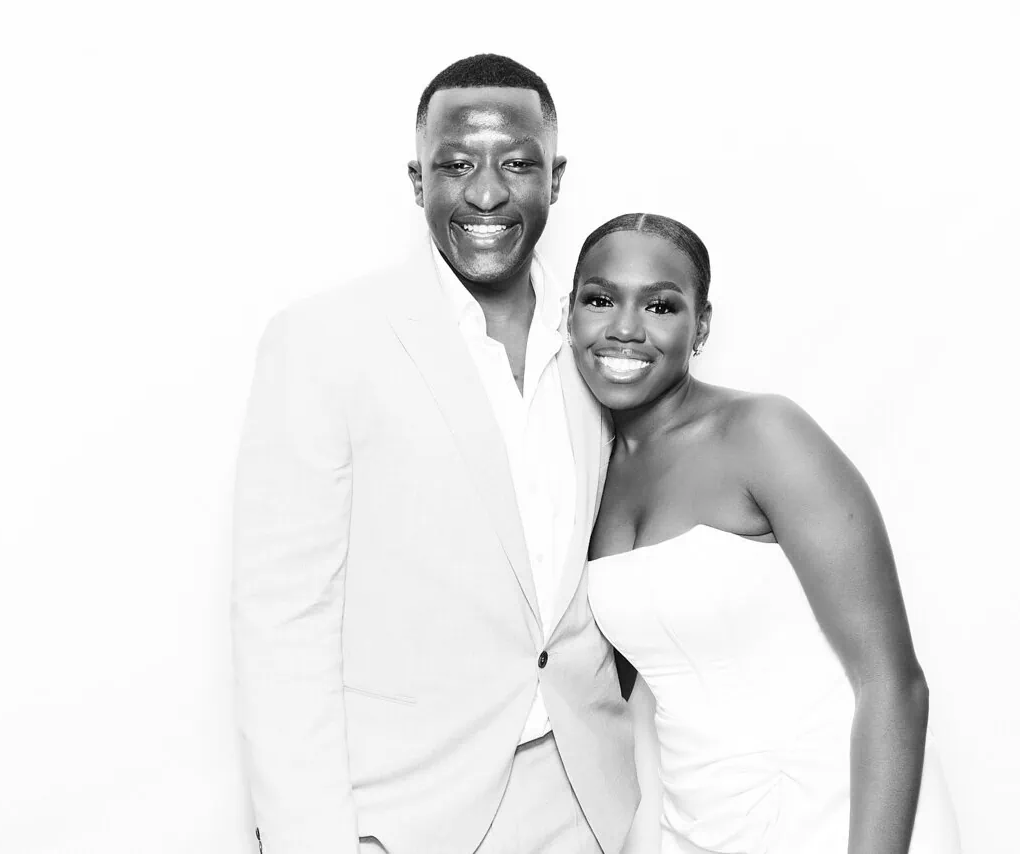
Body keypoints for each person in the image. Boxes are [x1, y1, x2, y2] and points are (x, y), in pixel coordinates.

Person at [232, 56, 639, 853]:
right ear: (418, 181)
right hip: (404, 816)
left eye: (517, 163)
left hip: (584, 800)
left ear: (555, 178)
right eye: (455, 165)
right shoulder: (323, 343)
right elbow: (282, 621)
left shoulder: (605, 340)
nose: (486, 193)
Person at [571, 213, 961, 853]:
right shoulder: (586, 469)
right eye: (601, 299)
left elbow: (894, 683)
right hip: (695, 821)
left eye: (661, 305)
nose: (624, 328)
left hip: (843, 808)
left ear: (701, 326)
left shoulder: (764, 434)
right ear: (571, 313)